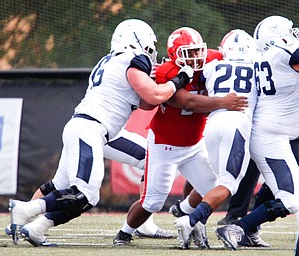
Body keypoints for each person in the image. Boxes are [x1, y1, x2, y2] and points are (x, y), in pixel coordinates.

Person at [8, 18, 196, 247]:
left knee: (149, 156)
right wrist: (179, 80)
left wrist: (159, 82)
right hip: (92, 129)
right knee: (85, 195)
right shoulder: (133, 59)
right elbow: (154, 96)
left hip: (100, 131)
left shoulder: (110, 61)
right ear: (138, 40)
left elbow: (146, 103)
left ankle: (36, 227)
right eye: (149, 46)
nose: (151, 52)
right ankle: (25, 210)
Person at [112, 27, 248, 249]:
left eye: (197, 51)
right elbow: (188, 102)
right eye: (189, 53)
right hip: (165, 145)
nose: (196, 57)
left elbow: (231, 55)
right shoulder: (167, 72)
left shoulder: (212, 58)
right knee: (152, 201)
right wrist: (223, 102)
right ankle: (125, 232)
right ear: (175, 55)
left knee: (211, 187)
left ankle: (184, 211)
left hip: (194, 144)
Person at [216, 15, 299, 251]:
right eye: (290, 32)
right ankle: (239, 227)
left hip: (283, 132)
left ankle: (249, 230)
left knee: (283, 184)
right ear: (280, 35)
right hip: (272, 136)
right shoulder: (285, 53)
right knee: (292, 201)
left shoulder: (262, 56)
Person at [4, 128, 173, 239]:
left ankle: (20, 221)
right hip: (101, 128)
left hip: (80, 124)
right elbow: (150, 97)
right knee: (151, 158)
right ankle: (144, 223)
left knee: (60, 183)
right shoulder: (130, 72)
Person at [173, 29, 258, 249]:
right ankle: (189, 220)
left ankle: (194, 218)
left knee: (215, 180)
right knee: (228, 185)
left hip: (212, 125)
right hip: (237, 125)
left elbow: (191, 79)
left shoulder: (211, 66)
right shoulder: (259, 68)